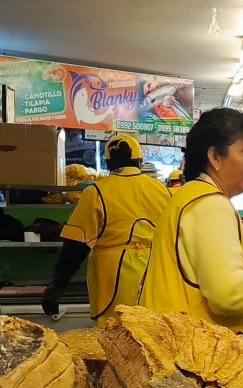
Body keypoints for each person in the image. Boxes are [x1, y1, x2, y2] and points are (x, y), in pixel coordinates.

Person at [140, 108, 243, 334]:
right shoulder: (211, 205)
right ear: (215, 157)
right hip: (192, 350)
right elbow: (228, 294)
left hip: (168, 338)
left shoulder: (189, 194)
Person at [42, 135, 170, 326]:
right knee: (152, 337)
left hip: (114, 276)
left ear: (108, 162)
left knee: (115, 338)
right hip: (156, 274)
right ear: (140, 161)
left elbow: (75, 247)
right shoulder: (162, 190)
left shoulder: (96, 192)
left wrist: (57, 286)